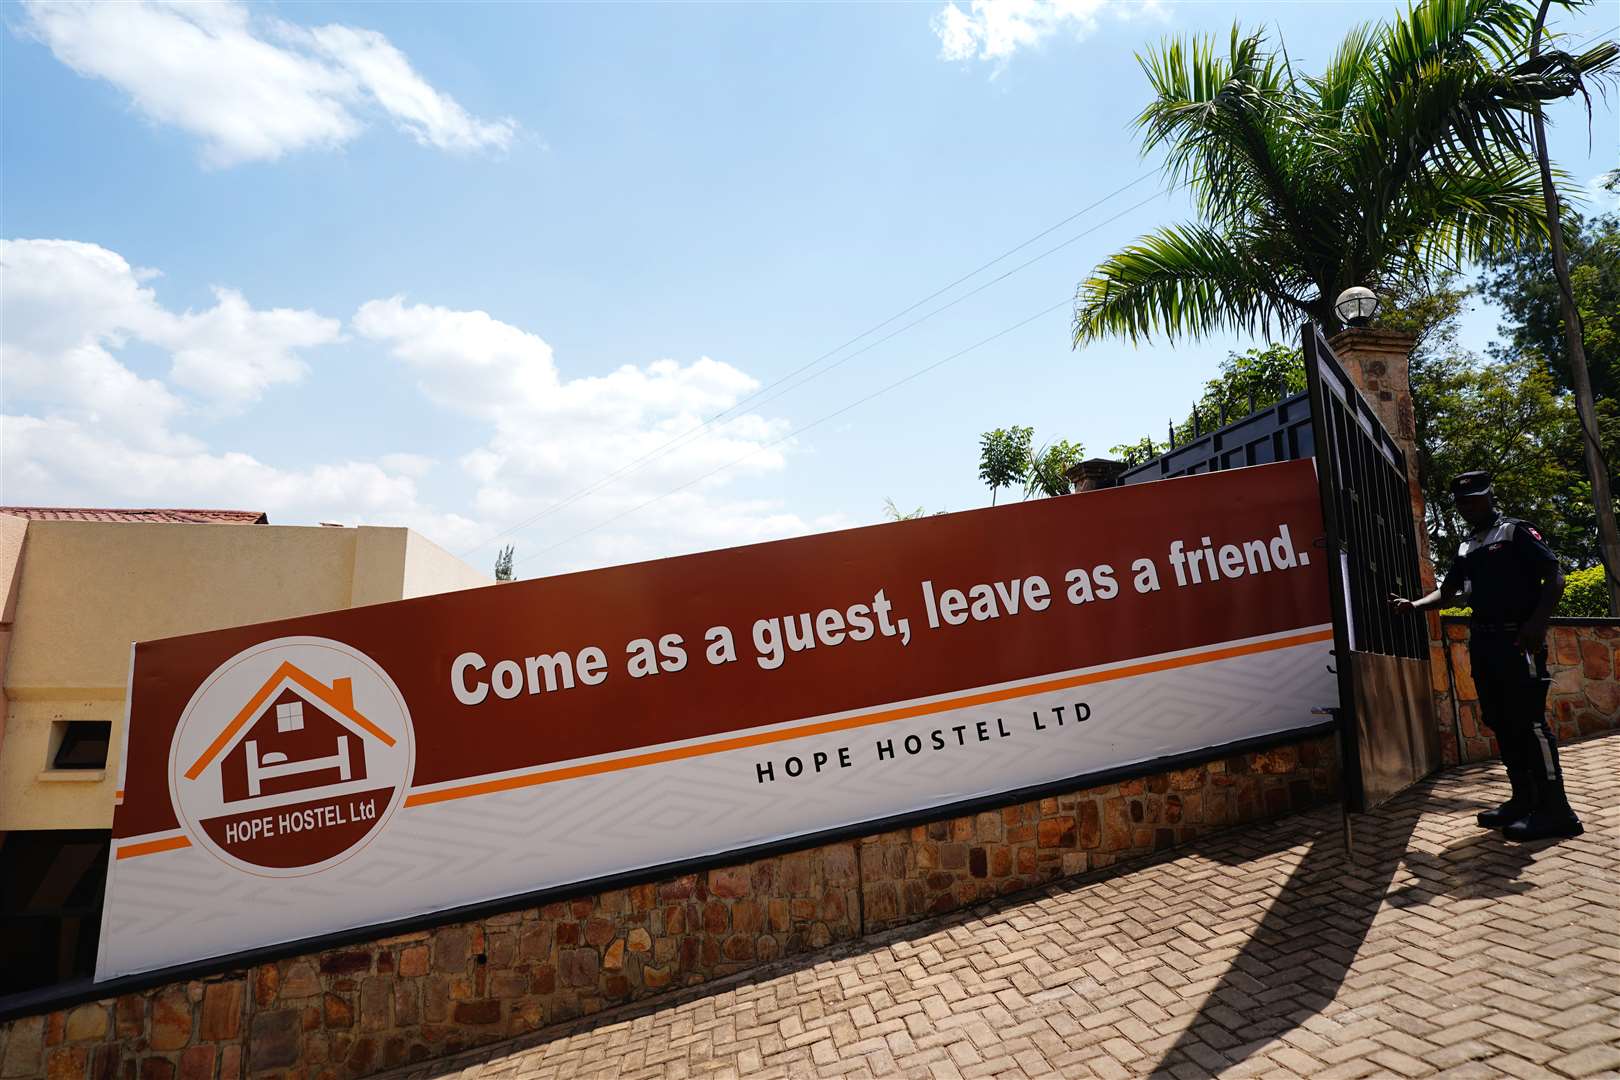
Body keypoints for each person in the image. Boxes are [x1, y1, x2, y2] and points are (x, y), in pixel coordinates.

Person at [1390, 470, 1581, 841]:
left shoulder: (1514, 532)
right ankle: (1523, 799)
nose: (1468, 506)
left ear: (1490, 495)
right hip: (1484, 645)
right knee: (1500, 719)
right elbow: (1448, 593)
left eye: (1475, 498)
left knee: (1529, 723)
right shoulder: (1466, 546)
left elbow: (1554, 577)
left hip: (1517, 642)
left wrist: (1537, 624)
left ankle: (1557, 810)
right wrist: (1413, 605)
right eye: (1462, 501)